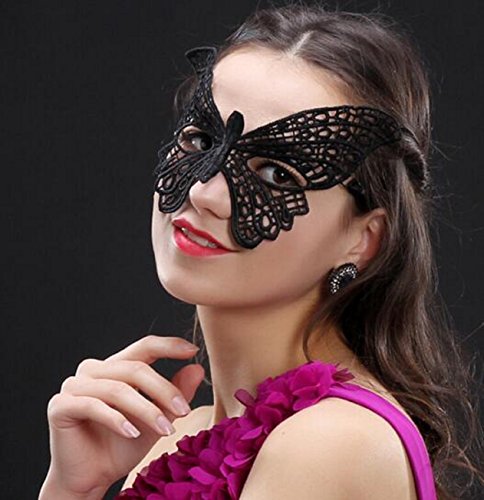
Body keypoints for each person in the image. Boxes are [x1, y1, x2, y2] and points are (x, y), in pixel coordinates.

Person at [39, 4, 484, 500]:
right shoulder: (175, 436)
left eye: (276, 174)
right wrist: (74, 490)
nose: (204, 193)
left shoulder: (329, 443)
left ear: (363, 240)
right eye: (201, 140)